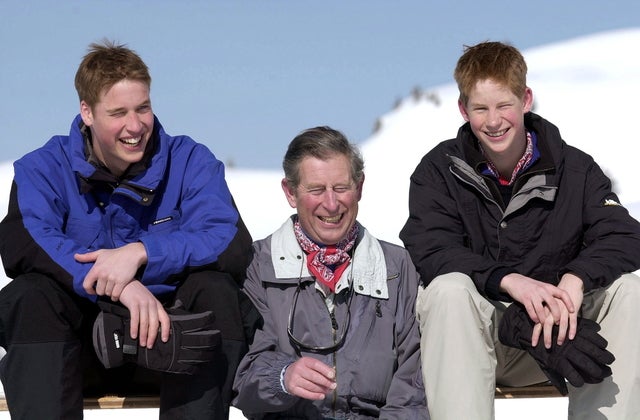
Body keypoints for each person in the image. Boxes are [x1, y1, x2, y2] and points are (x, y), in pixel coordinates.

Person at [0, 40, 254, 420]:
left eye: (143, 108)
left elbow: (229, 241)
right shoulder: (42, 168)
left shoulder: (190, 161)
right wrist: (119, 283)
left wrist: (142, 253)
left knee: (217, 291)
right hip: (74, 356)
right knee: (28, 295)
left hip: (173, 350)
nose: (135, 126)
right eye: (118, 112)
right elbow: (26, 242)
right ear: (87, 112)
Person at [400, 40, 640, 419]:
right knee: (447, 289)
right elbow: (429, 248)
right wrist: (509, 282)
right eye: (480, 108)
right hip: (477, 343)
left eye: (503, 105)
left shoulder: (575, 169)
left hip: (562, 339)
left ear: (525, 99)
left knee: (629, 290)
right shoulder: (439, 171)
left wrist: (574, 281)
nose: (493, 121)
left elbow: (624, 234)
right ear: (463, 110)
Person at [232, 126, 427, 419]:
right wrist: (282, 378)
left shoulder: (399, 269)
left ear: (359, 188)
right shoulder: (256, 266)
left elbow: (414, 384)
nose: (331, 203)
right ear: (290, 192)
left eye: (341, 188)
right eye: (316, 190)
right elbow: (239, 373)